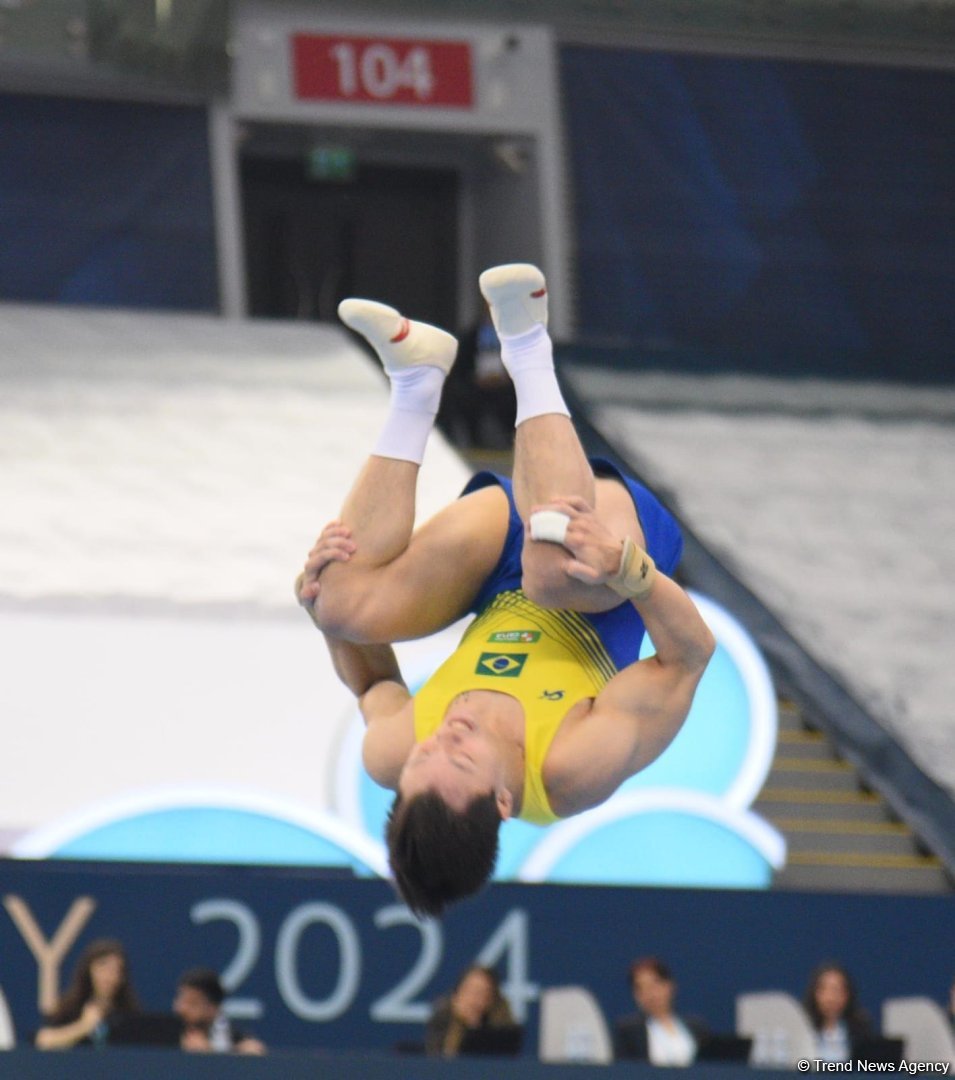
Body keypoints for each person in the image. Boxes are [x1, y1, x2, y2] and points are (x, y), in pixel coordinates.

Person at [296, 263, 715, 917]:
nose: (446, 733)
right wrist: (627, 569)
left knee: (339, 602)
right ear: (500, 802)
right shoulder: (572, 767)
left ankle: (415, 381)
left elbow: (372, 680)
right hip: (608, 564)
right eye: (461, 757)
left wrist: (320, 605)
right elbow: (688, 657)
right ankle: (524, 342)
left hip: (494, 564)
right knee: (550, 572)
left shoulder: (391, 752)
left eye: (426, 752)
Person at [35, 938, 139, 1050]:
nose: (108, 975)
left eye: (116, 969)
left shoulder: (130, 1014)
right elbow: (43, 1041)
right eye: (103, 967)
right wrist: (84, 1026)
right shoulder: (69, 1009)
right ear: (89, 970)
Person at [614, 957, 710, 1067]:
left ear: (669, 986)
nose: (649, 994)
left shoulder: (696, 1027)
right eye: (640, 988)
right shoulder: (629, 1031)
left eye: (654, 985)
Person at [425, 965, 517, 1057]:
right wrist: (458, 1025)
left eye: (482, 993)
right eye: (469, 991)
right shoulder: (441, 1023)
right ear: (456, 995)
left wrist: (474, 1027)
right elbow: (438, 1057)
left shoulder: (503, 1035)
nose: (474, 999)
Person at [173, 968, 265, 1055]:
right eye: (180, 1000)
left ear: (214, 1008)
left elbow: (254, 1050)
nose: (181, 1008)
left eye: (192, 1003)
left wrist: (207, 1055)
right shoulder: (169, 1034)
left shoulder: (236, 1038)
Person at [803, 962, 874, 1063]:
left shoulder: (860, 1033)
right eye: (824, 990)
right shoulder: (803, 1030)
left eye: (837, 990)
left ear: (847, 995)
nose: (831, 998)